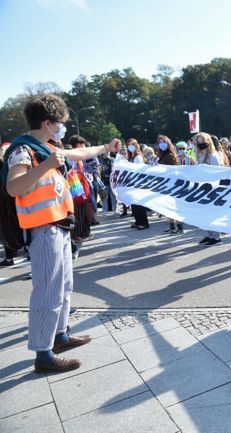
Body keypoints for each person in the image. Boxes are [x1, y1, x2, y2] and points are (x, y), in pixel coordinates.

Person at [2, 94, 121, 372]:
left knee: (64, 286)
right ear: (47, 122)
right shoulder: (25, 151)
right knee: (47, 291)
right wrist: (45, 166)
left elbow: (77, 153)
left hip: (58, 226)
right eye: (61, 123)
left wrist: (105, 147)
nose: (63, 128)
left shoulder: (45, 146)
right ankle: (43, 354)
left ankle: (60, 335)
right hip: (42, 228)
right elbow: (13, 187)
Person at [194, 133, 223, 246]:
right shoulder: (200, 155)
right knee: (205, 214)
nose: (201, 144)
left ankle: (216, 237)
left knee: (213, 213)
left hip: (212, 189)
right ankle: (209, 234)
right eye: (199, 142)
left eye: (202, 141)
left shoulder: (213, 156)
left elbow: (218, 173)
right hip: (203, 188)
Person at [0, 142, 25, 266]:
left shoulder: (6, 163)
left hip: (7, 200)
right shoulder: (9, 162)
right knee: (18, 226)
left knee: (8, 228)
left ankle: (11, 255)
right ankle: (16, 252)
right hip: (13, 199)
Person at [156, 135, 182, 234]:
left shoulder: (170, 155)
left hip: (172, 183)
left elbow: (173, 170)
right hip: (165, 183)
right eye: (160, 142)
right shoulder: (161, 154)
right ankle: (172, 225)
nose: (162, 144)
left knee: (173, 206)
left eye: (164, 142)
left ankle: (179, 226)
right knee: (168, 206)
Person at [126, 138, 149, 229]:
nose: (130, 146)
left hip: (138, 183)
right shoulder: (131, 157)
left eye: (132, 144)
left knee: (139, 204)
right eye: (129, 144)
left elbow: (138, 170)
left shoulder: (138, 157)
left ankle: (143, 223)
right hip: (133, 183)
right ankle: (138, 221)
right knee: (134, 204)